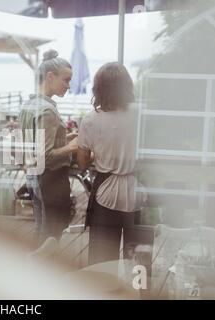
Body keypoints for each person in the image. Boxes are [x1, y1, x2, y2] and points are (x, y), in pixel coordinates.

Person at [77, 62, 146, 265]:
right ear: (127, 86)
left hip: (104, 191)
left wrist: (97, 153)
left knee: (102, 258)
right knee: (138, 256)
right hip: (136, 188)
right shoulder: (140, 113)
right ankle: (138, 292)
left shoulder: (91, 120)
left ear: (98, 88)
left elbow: (82, 163)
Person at [19, 49, 78, 246]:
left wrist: (64, 138)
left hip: (33, 177)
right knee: (51, 236)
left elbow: (33, 146)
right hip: (50, 180)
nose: (69, 85)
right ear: (50, 77)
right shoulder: (48, 110)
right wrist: (72, 147)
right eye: (66, 80)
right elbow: (45, 155)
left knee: (40, 230)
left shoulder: (29, 105)